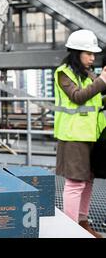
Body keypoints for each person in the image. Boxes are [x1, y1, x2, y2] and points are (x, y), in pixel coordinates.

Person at [54, 29, 106, 238]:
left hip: (91, 136)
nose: (93, 58)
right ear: (77, 52)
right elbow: (77, 97)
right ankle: (70, 230)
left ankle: (82, 224)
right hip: (73, 137)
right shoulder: (63, 73)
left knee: (87, 181)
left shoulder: (89, 75)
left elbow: (94, 100)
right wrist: (102, 81)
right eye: (89, 53)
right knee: (75, 184)